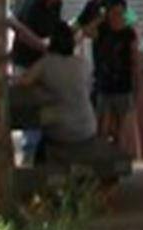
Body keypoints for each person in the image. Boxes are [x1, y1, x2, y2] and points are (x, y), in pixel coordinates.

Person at [15, 21, 97, 158]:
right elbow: (88, 89)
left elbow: (23, 82)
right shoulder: (83, 64)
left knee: (40, 133)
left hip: (61, 130)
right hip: (88, 128)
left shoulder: (46, 63)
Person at [91, 0, 138, 151]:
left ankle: (118, 163)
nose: (116, 17)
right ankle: (102, 161)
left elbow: (135, 60)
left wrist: (137, 84)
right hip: (104, 86)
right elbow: (86, 31)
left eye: (120, 13)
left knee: (121, 130)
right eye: (113, 13)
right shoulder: (101, 30)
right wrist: (101, 18)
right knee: (102, 129)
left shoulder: (129, 33)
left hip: (123, 87)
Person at [9, 0, 67, 69]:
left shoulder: (57, 5)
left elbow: (55, 28)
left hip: (42, 59)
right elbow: (22, 34)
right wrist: (42, 46)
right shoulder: (34, 2)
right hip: (24, 57)